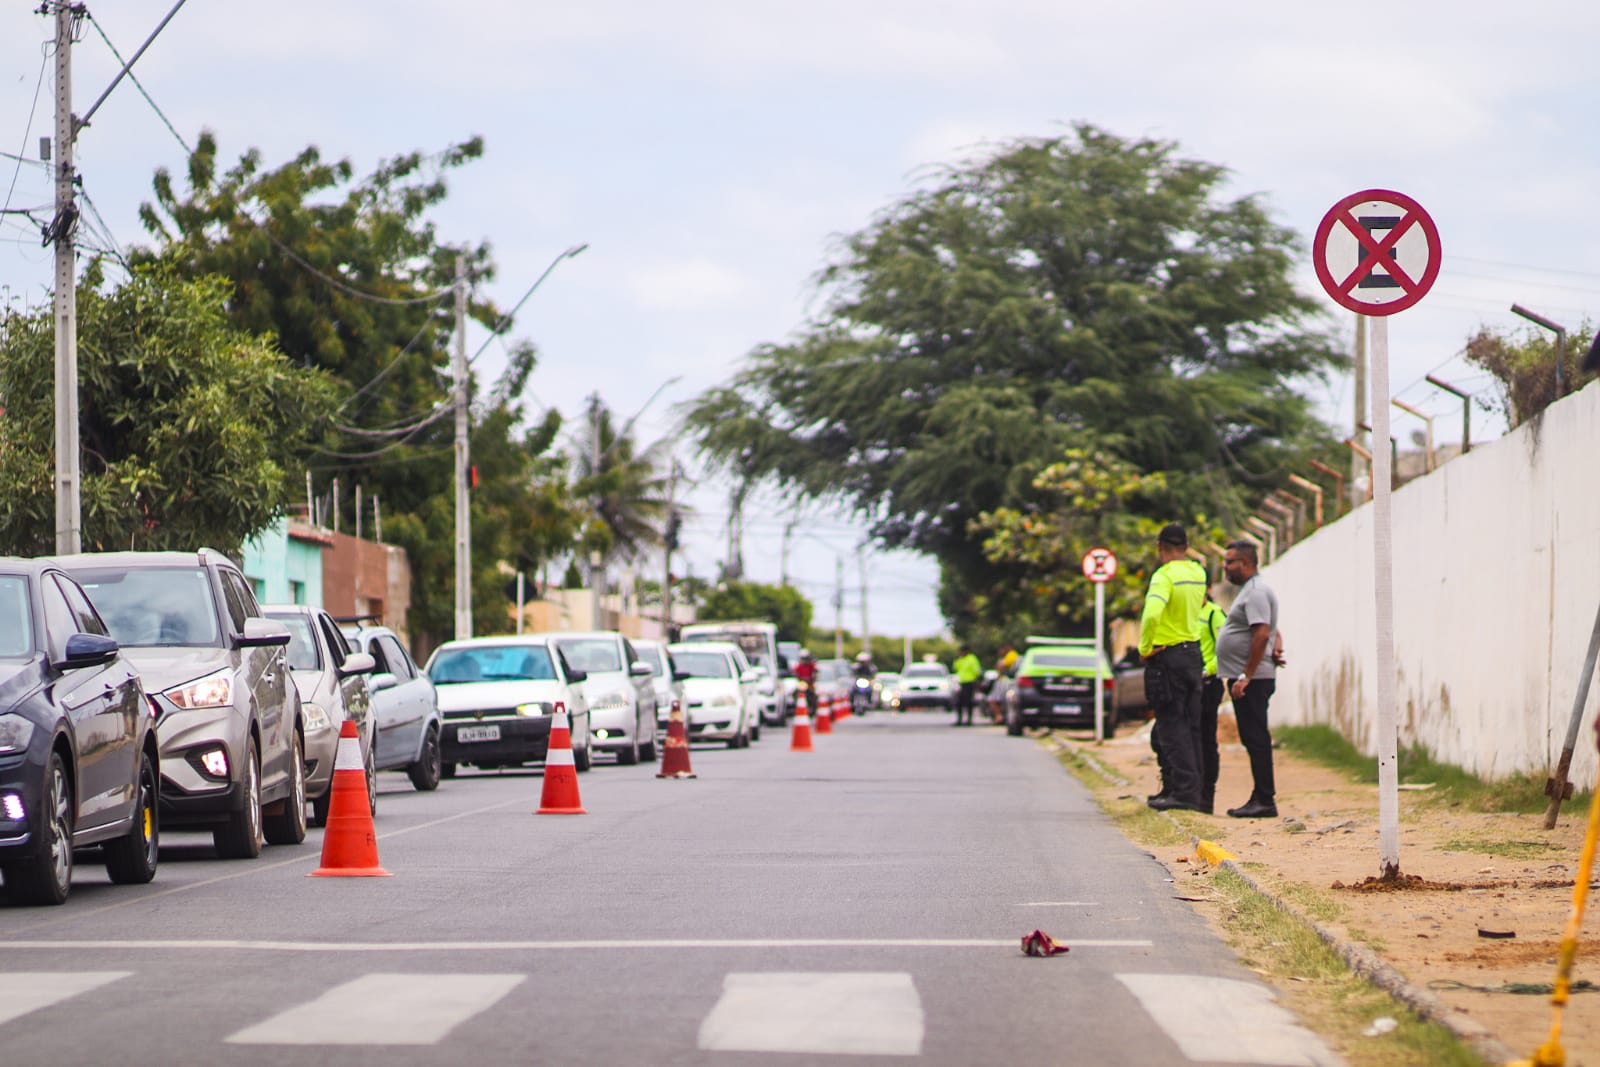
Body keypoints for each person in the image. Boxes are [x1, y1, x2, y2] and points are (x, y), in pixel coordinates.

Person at [1138, 524, 1209, 812]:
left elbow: (1152, 614)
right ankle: (1192, 792)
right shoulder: (1198, 573)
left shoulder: (1164, 576)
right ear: (1186, 547)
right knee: (1191, 727)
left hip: (1168, 657)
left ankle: (1183, 793)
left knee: (1171, 726)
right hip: (1193, 654)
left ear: (1160, 546)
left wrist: (1145, 647)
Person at [1217, 540, 1281, 819]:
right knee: (1252, 737)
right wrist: (1277, 645)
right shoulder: (1251, 590)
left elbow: (1262, 632)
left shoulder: (1255, 592)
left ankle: (1265, 800)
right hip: (1249, 676)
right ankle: (1260, 795)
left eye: (1229, 561)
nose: (1225, 567)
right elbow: (1270, 630)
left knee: (1256, 738)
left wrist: (1246, 675)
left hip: (1252, 679)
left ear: (1245, 563)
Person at [1196, 584, 1228, 815]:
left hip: (1207, 684)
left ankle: (1206, 797)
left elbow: (1224, 650)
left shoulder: (1214, 614)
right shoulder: (1184, 614)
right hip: (1187, 685)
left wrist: (1207, 670)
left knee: (1207, 740)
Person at [952, 645, 982, 726]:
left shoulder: (972, 659)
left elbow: (977, 670)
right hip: (960, 683)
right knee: (958, 702)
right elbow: (955, 668)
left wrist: (976, 680)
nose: (961, 653)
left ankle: (969, 720)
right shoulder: (960, 659)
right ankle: (959, 720)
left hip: (970, 682)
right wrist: (957, 659)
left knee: (968, 702)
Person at [792, 649, 819, 718]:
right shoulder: (799, 665)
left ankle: (813, 706)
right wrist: (796, 676)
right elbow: (795, 671)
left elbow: (815, 671)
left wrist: (813, 677)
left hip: (809, 683)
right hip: (802, 683)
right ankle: (796, 705)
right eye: (803, 659)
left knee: (813, 693)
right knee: (795, 692)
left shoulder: (811, 665)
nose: (805, 661)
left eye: (806, 659)